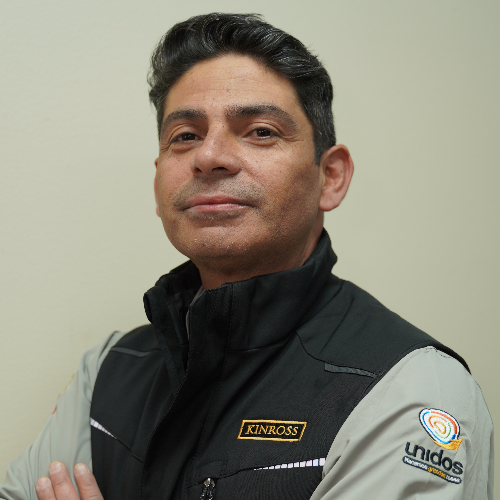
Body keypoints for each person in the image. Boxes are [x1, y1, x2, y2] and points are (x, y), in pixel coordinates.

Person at [1, 13, 493, 500]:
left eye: (260, 131)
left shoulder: (408, 391)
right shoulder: (107, 371)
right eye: (185, 136)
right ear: (157, 185)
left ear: (331, 177)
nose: (209, 156)